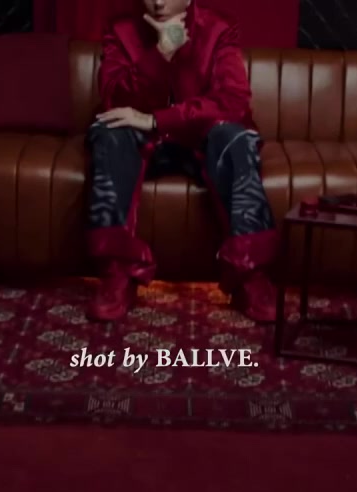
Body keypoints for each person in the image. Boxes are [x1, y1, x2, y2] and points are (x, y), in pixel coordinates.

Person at [85, 0, 278, 322]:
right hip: (142, 141)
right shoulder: (121, 30)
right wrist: (160, 54)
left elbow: (233, 100)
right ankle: (117, 272)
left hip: (198, 137)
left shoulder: (217, 28)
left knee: (235, 138)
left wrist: (158, 119)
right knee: (108, 132)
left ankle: (251, 274)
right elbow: (114, 98)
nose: (158, 2)